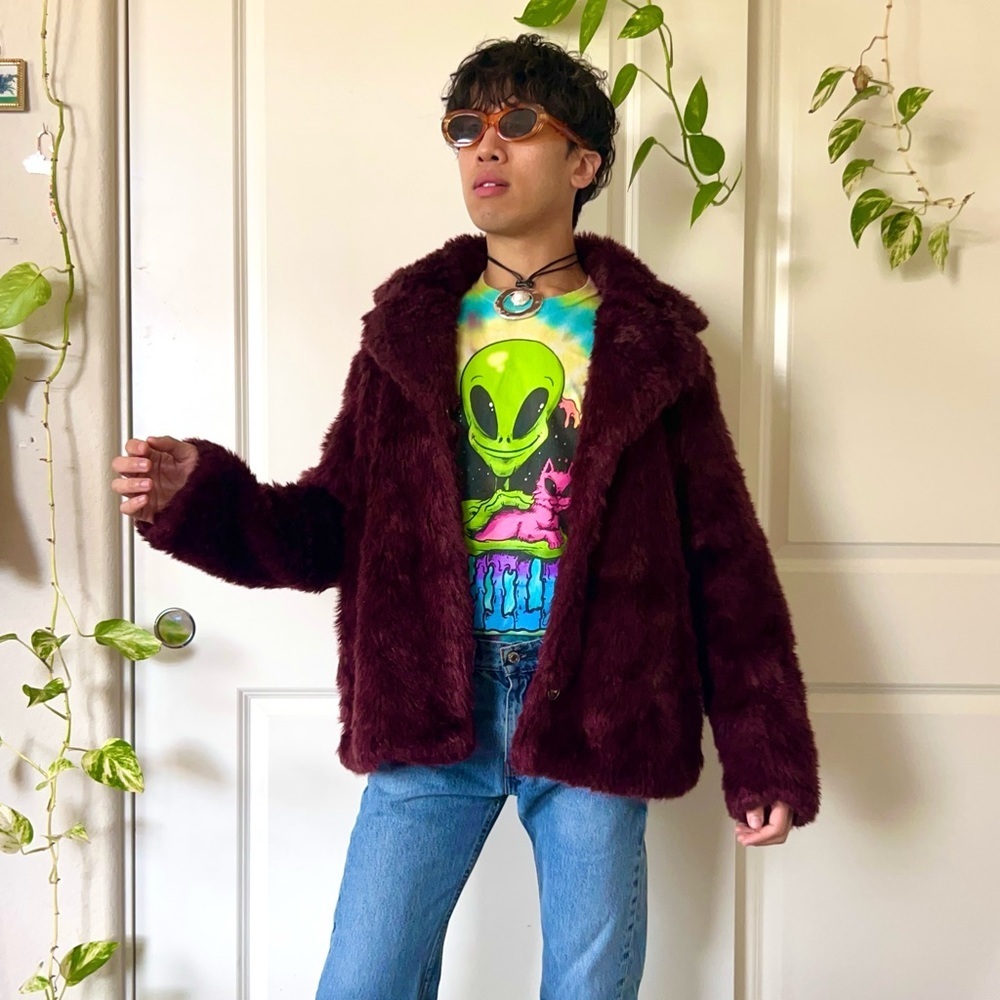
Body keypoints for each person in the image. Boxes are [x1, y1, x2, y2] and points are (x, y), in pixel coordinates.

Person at [111, 33, 820, 1000]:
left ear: (582, 164)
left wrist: (763, 755)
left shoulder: (652, 348)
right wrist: (204, 497)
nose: (486, 145)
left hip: (597, 705)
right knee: (363, 979)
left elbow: (724, 561)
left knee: (589, 987)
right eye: (464, 127)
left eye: (518, 123)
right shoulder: (406, 334)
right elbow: (328, 526)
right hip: (431, 700)